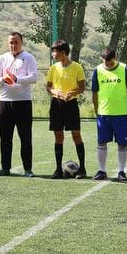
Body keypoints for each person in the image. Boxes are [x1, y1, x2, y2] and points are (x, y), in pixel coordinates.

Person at [0, 32, 38, 177]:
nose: (13, 45)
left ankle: (28, 169)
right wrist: (4, 79)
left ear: (21, 43)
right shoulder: (2, 58)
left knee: (25, 137)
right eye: (11, 42)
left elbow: (34, 77)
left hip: (23, 103)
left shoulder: (29, 57)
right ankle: (5, 168)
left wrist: (16, 78)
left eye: (16, 42)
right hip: (5, 103)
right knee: (5, 137)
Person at [91, 47, 127, 181]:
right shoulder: (98, 70)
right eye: (106, 63)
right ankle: (101, 170)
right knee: (101, 142)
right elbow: (94, 92)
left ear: (115, 58)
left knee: (122, 144)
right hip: (103, 114)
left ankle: (121, 171)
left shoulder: (124, 69)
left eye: (110, 63)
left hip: (121, 114)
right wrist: (96, 110)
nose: (108, 65)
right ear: (102, 60)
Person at [46, 39, 86, 179]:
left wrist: (73, 93)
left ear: (63, 53)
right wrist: (55, 92)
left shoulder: (77, 67)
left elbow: (82, 87)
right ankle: (58, 169)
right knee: (58, 136)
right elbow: (48, 87)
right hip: (56, 105)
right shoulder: (53, 68)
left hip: (71, 106)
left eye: (55, 51)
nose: (53, 54)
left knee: (76, 135)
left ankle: (82, 169)